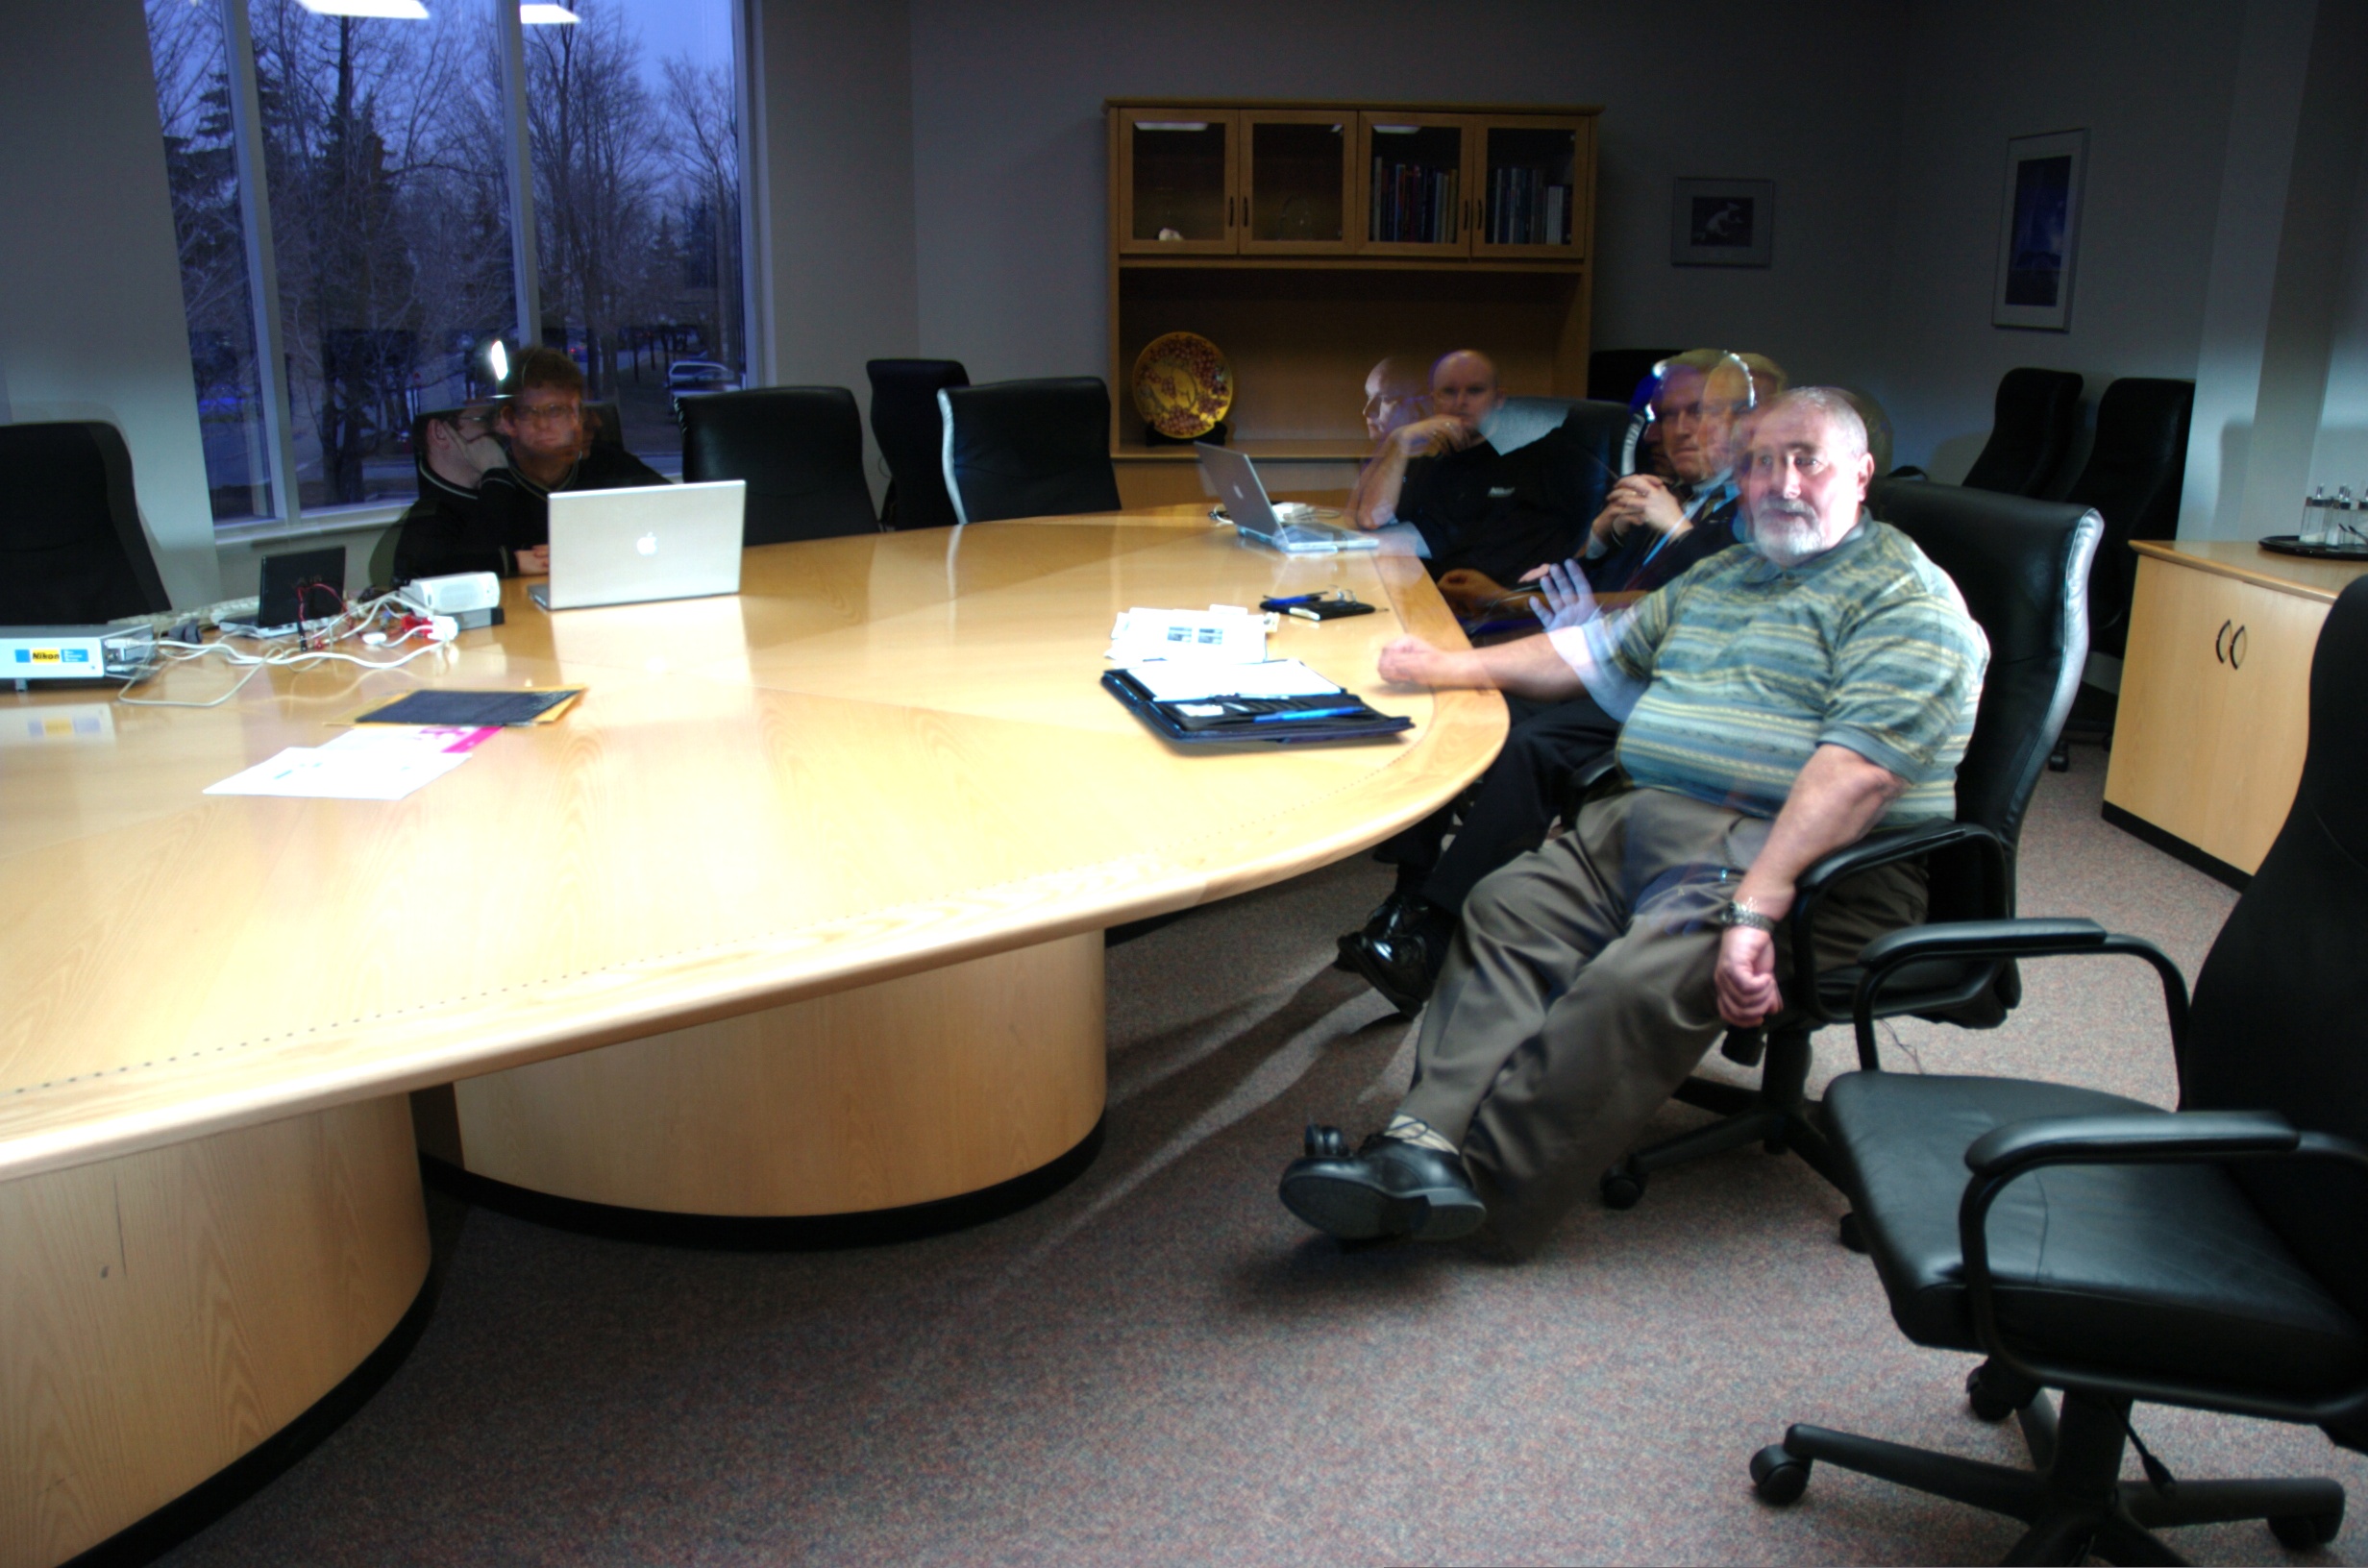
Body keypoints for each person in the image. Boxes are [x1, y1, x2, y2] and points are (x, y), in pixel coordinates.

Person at [1281, 389, 1988, 1257]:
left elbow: (1858, 775)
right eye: (1760, 462)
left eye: (1807, 460)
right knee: (1506, 906)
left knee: (1633, 978)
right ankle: (1419, 1143)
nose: (1780, 482)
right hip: (1646, 825)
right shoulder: (1724, 574)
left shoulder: (1907, 601)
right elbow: (1588, 652)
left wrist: (1760, 905)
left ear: (1862, 473)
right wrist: (1441, 664)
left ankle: (1483, 1199)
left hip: (1809, 864)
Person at [1336, 351, 1783, 1012]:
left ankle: (1432, 938)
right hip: (1608, 661)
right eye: (1670, 416)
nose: (1680, 430)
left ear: (1751, 421)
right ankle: (1410, 896)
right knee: (1460, 710)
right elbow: (1608, 590)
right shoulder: (1678, 494)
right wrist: (1597, 541)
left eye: (1702, 413)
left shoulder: (1757, 509)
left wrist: (1678, 531)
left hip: (1677, 696)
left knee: (1529, 744)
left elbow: (1724, 608)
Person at [391, 344, 668, 582]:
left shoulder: (606, 463)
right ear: (509, 421)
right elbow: (413, 570)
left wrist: (595, 552)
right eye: (550, 411)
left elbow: (680, 519)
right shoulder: (486, 483)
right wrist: (512, 561)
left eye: (573, 410)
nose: (574, 424)